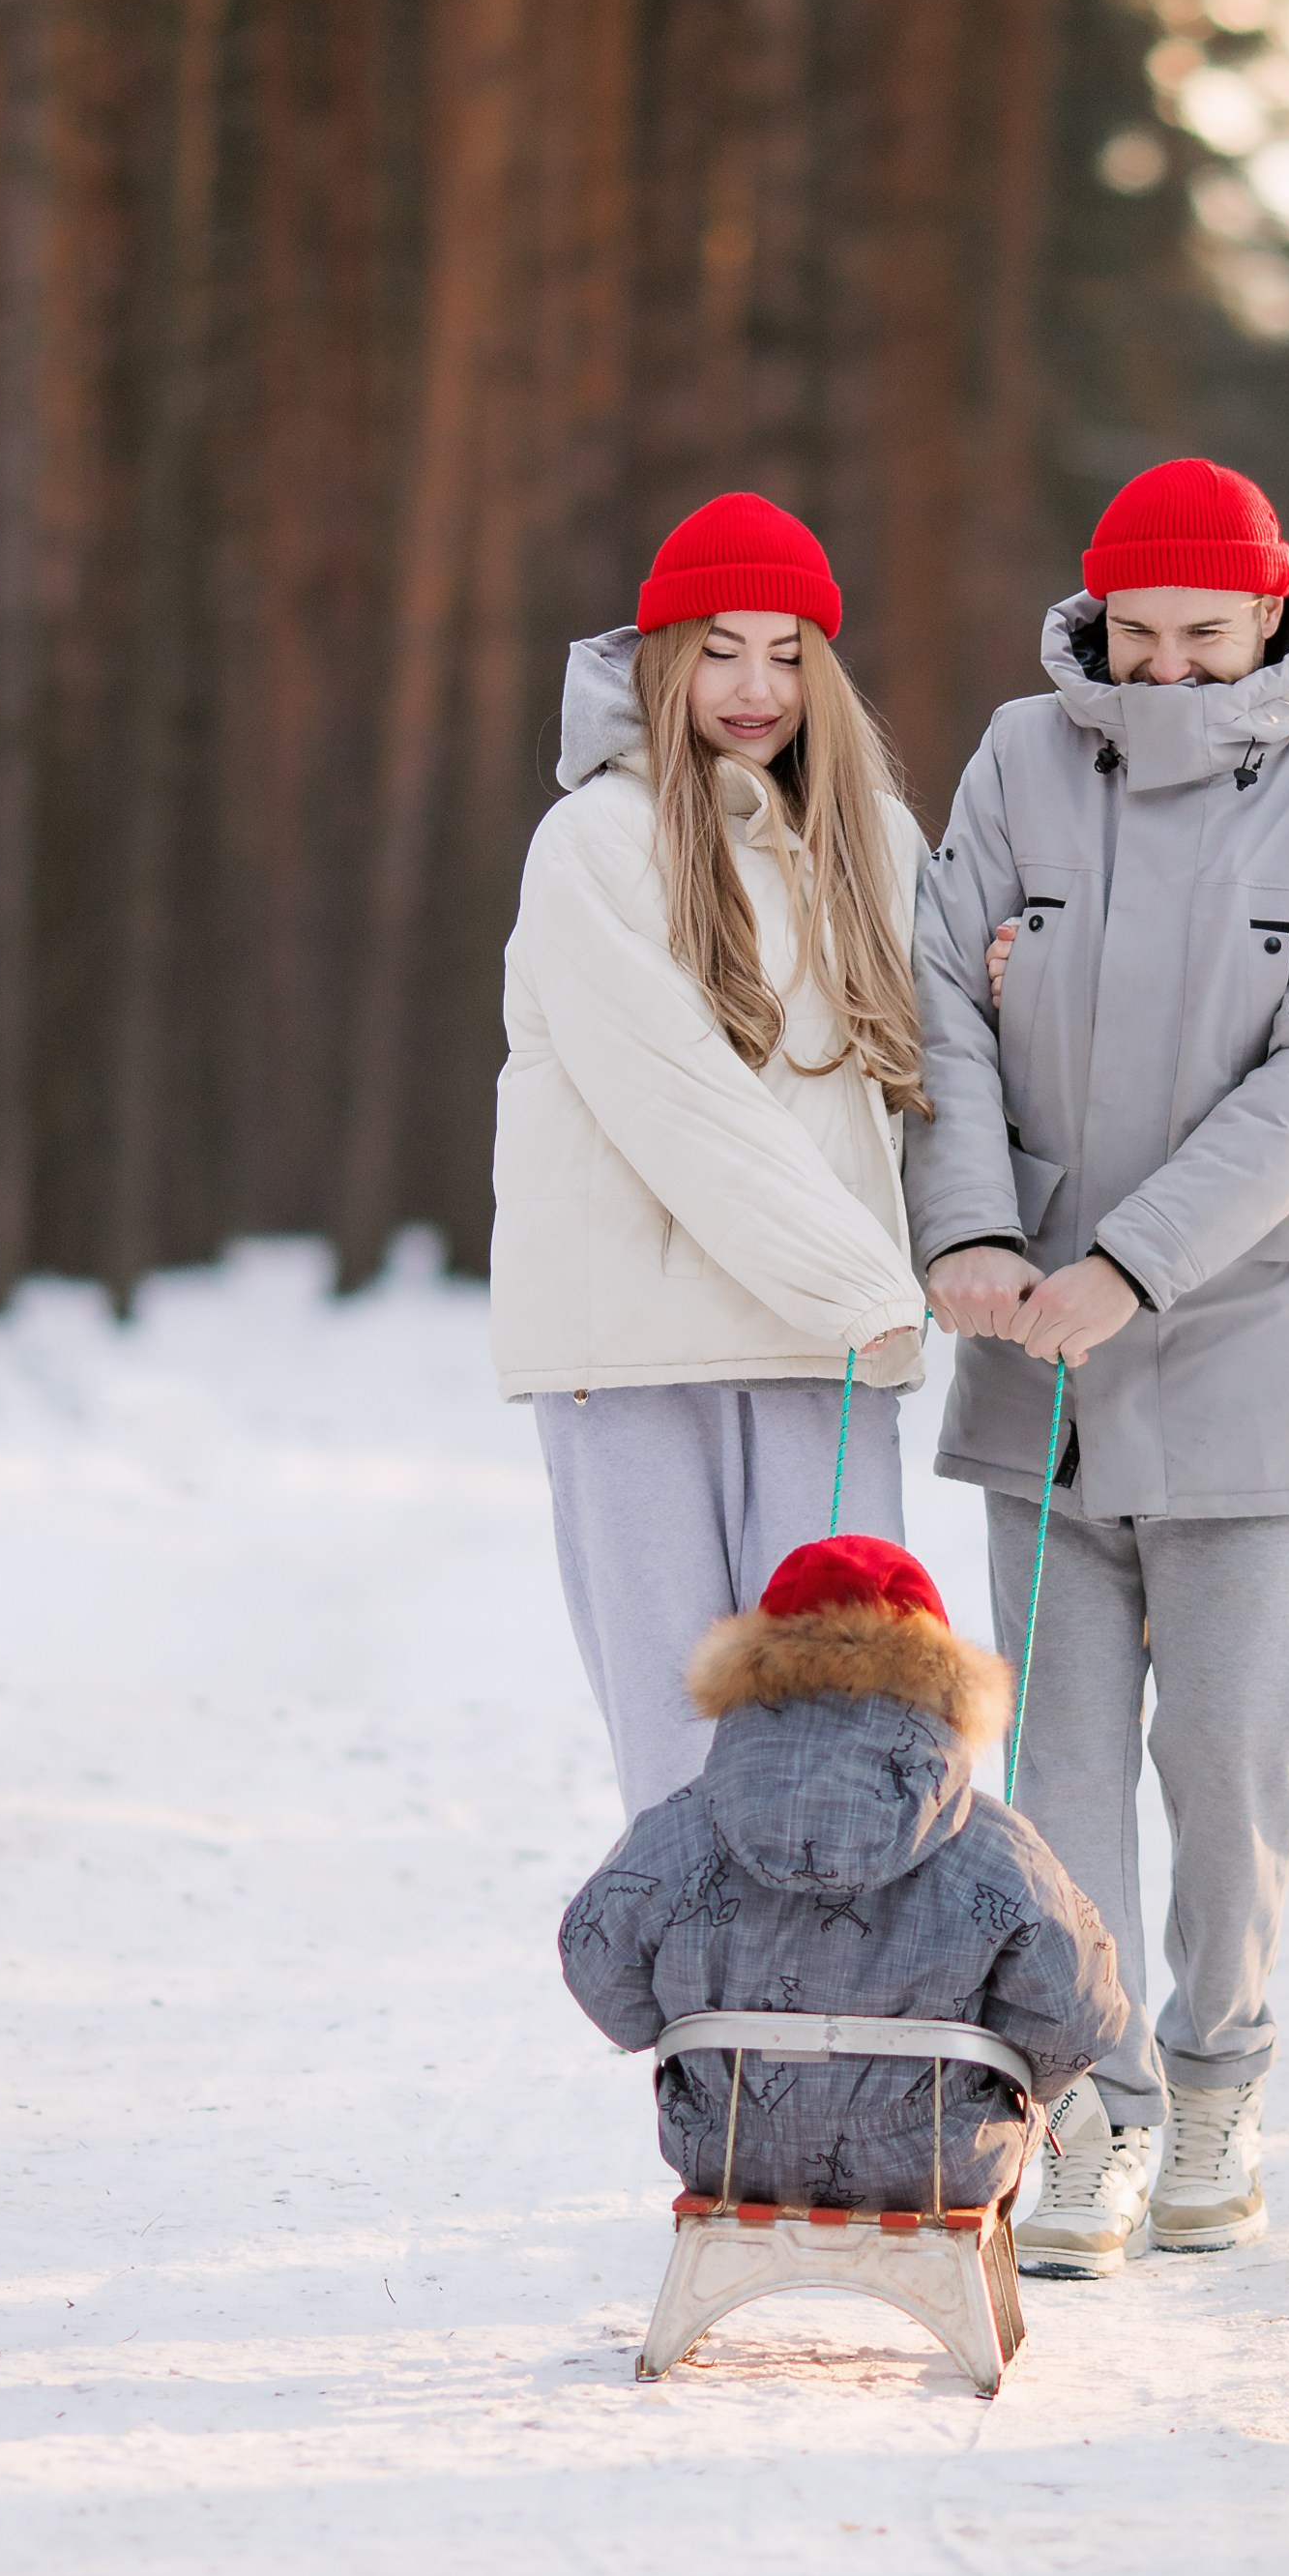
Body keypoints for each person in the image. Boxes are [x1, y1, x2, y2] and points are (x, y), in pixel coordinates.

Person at [905, 457, 1289, 2278]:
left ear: (1277, 613)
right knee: (1053, 1776)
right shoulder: (1014, 758)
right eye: (1136, 632)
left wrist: (1134, 1261)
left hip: (1249, 1348)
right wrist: (971, 1229)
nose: (1167, 669)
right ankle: (1093, 2116)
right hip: (1032, 1356)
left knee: (1227, 1760)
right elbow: (939, 1006)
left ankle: (1215, 2081)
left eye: (1207, 634)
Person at [492, 492, 929, 1818]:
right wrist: (872, 1288)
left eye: (789, 652)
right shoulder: (590, 843)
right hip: (633, 1355)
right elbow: (676, 1099)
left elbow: (941, 1070)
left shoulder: (875, 841)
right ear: (662, 657)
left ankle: (840, 2023)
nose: (756, 686)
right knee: (681, 1748)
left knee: (851, 1730)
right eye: (722, 648)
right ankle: (704, 2028)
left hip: (821, 1360)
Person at [559, 1534, 1128, 2212]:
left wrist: (684, 2032)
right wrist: (996, 2066)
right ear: (941, 1677)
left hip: (728, 2154)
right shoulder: (994, 1848)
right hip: (943, 2163)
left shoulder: (681, 1827)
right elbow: (1079, 2017)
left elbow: (595, 1958)